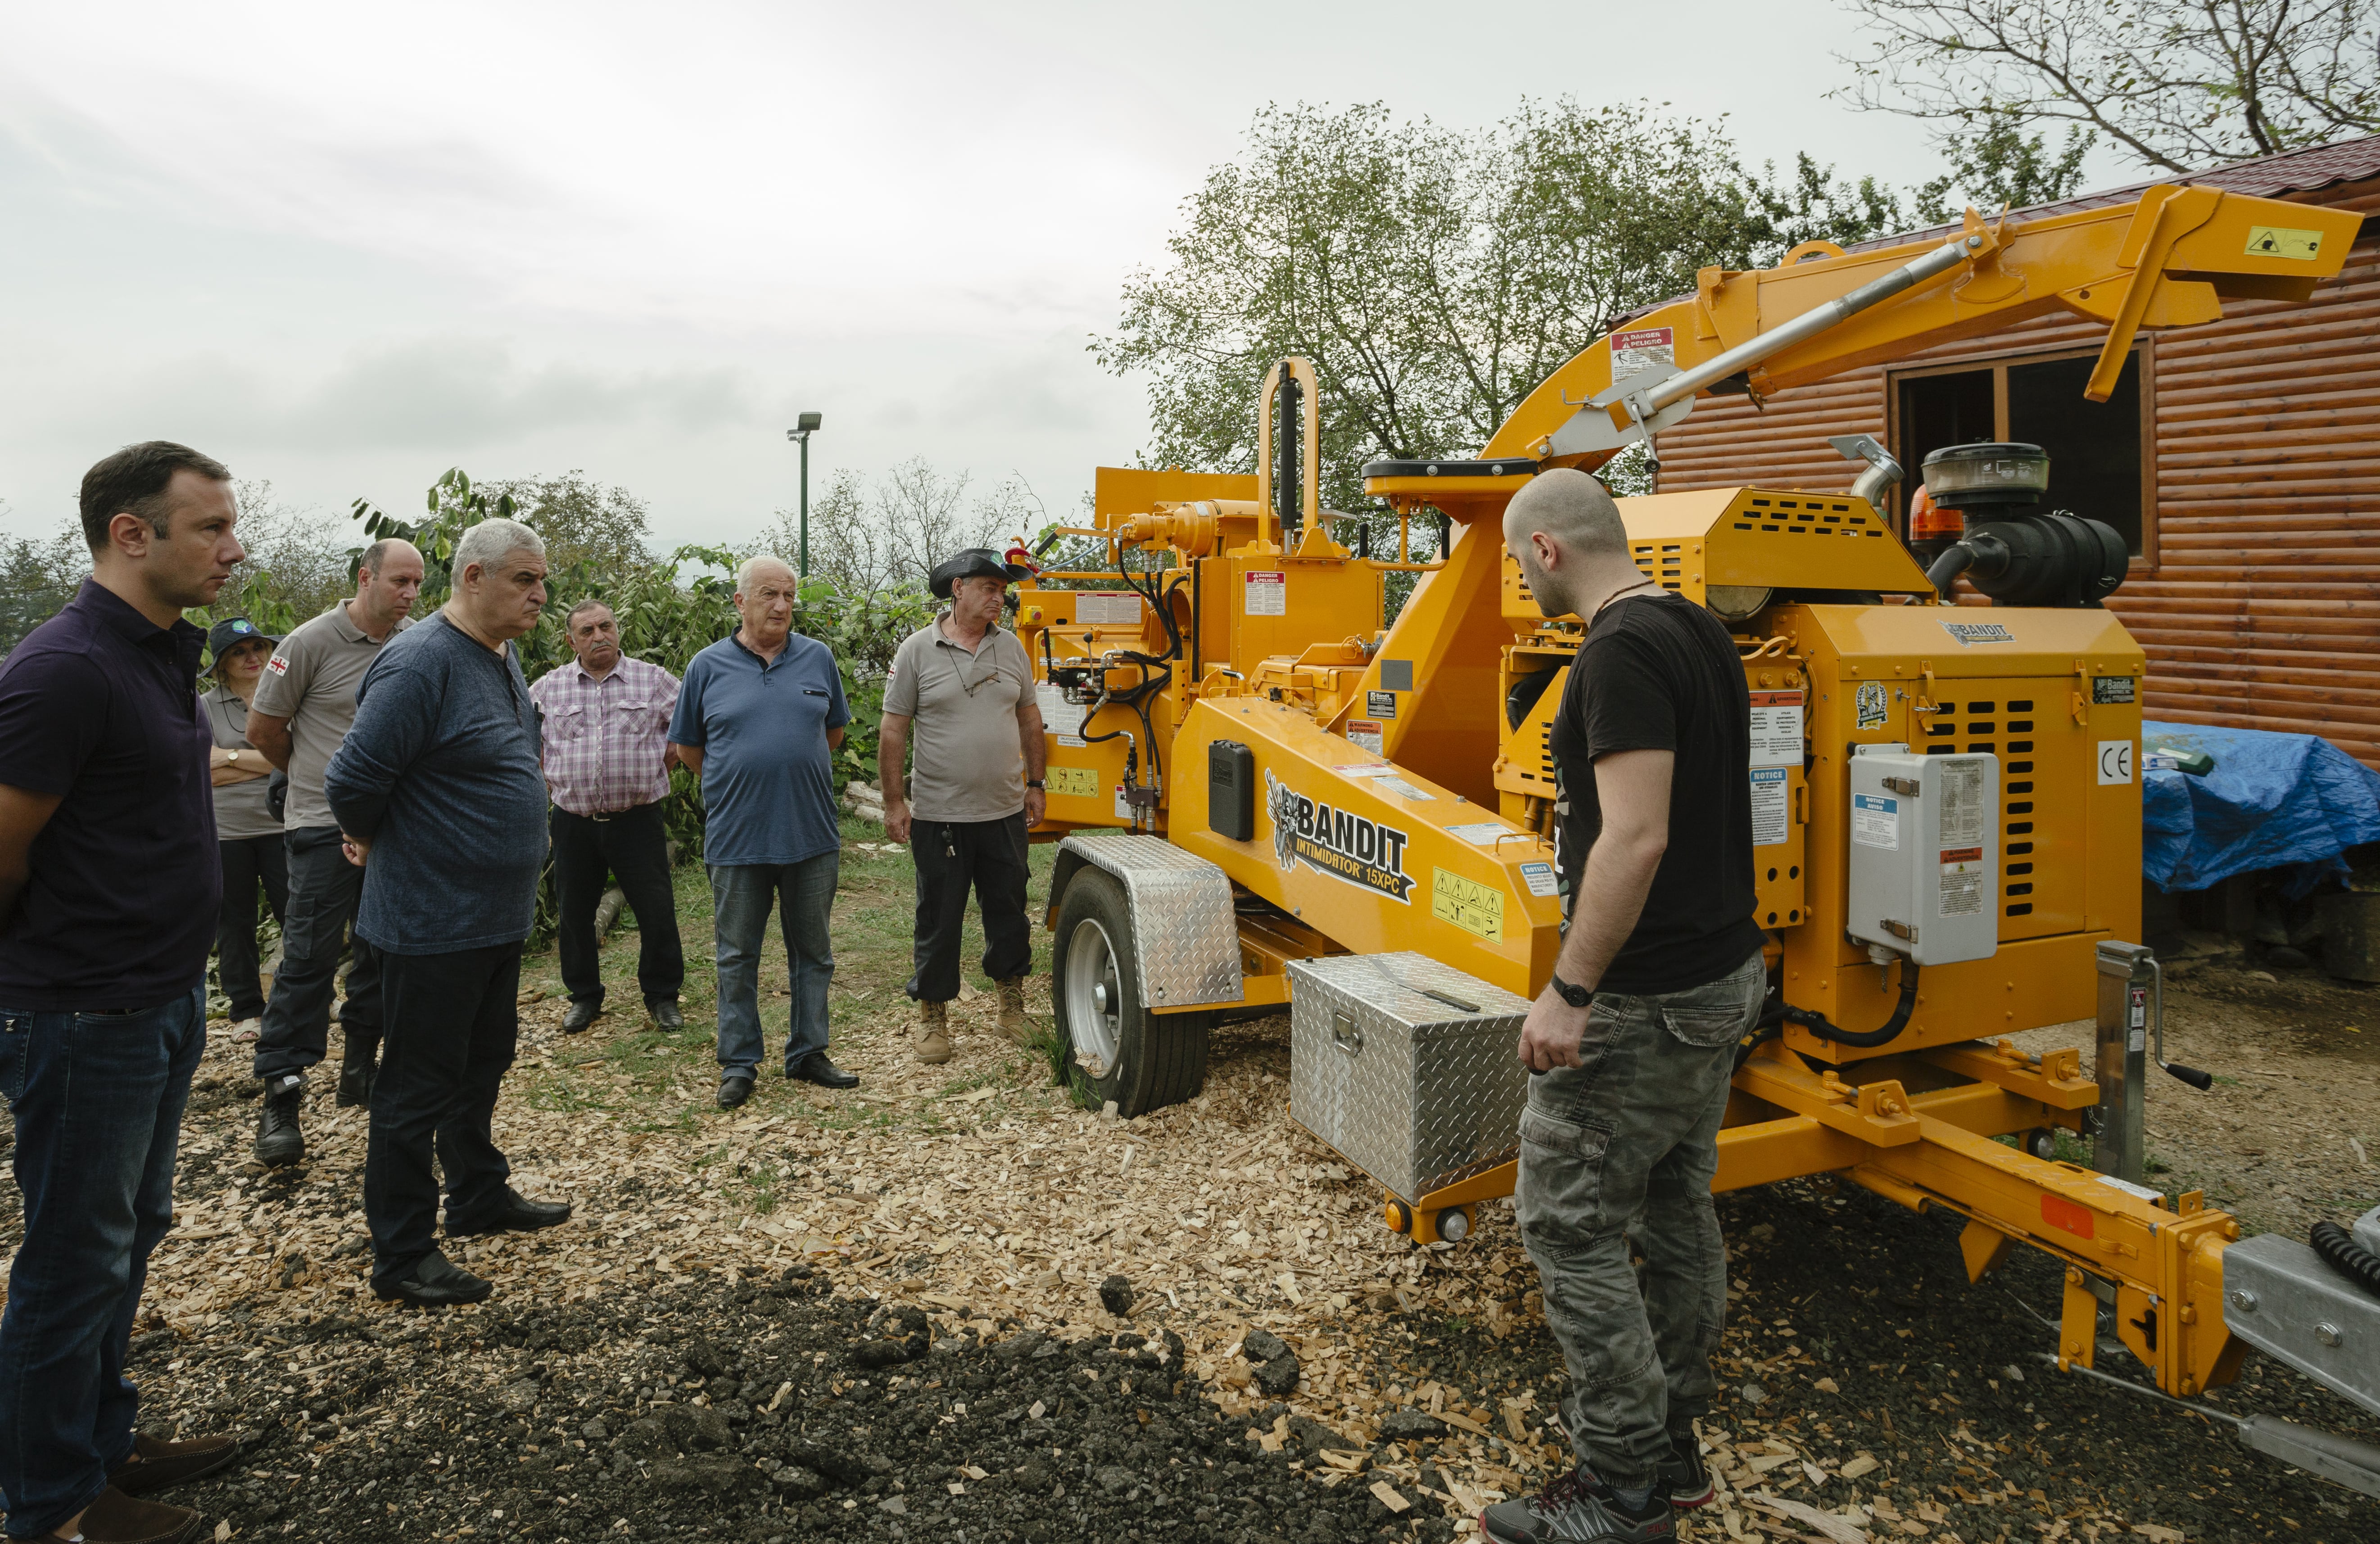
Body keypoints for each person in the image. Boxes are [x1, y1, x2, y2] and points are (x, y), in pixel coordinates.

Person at [1482, 469, 1765, 1544]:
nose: (1522, 579)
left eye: (1520, 561)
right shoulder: (1698, 629)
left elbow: (1635, 836)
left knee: (1569, 1224)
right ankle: (1673, 1451)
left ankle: (1622, 1489)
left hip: (1643, 997)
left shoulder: (1617, 652)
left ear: (1548, 549)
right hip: (1719, 973)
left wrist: (1570, 992)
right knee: (1676, 1207)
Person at [0, 442, 251, 1544]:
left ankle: (100, 1441)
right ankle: (52, 1503)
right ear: (131, 534)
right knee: (72, 1257)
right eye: (211, 527)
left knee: (127, 1234)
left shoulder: (156, 655)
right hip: (83, 1010)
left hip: (158, 998)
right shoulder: (64, 669)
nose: (234, 549)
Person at [325, 517, 571, 1307]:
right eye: (524, 580)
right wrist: (370, 834)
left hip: (494, 917)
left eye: (541, 580)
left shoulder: (499, 651)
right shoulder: (420, 661)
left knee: (483, 1062)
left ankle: (476, 1193)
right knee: (415, 1088)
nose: (540, 594)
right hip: (432, 920)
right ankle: (402, 1253)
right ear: (472, 577)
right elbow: (352, 779)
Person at [244, 537, 426, 1166]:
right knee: (308, 956)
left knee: (384, 951)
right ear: (365, 578)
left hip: (396, 829)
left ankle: (360, 1067)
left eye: (417, 584)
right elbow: (264, 730)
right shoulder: (307, 643)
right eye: (399, 581)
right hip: (323, 825)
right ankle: (282, 1092)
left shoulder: (415, 644)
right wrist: (317, 779)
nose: (410, 595)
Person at [668, 555, 857, 1109]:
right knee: (736, 955)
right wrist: (741, 777)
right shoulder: (706, 666)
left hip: (811, 835)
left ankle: (808, 1052)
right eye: (769, 594)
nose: (781, 605)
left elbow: (833, 733)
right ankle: (739, 1062)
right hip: (737, 838)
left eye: (789, 596)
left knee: (814, 952)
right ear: (740, 601)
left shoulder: (818, 658)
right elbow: (689, 749)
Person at [879, 547, 1046, 1064]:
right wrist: (893, 802)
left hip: (1004, 812)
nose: (999, 598)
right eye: (989, 588)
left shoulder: (1011, 648)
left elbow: (1030, 718)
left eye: (1003, 590)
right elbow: (893, 730)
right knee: (939, 916)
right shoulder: (917, 650)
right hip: (940, 816)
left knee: (1009, 911)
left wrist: (1036, 783)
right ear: (958, 589)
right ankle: (933, 1015)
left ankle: (1011, 1007)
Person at [529, 599, 686, 1034]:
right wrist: (555, 778)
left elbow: (687, 731)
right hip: (573, 822)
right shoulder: (547, 689)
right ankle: (584, 997)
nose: (599, 636)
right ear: (571, 641)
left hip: (638, 819)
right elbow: (528, 746)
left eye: (606, 627)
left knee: (656, 909)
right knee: (575, 913)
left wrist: (657, 767)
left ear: (617, 630)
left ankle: (662, 996)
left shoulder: (654, 680)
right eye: (587, 631)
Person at [201, 618, 287, 1042]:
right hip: (226, 832)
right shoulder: (202, 707)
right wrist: (269, 763)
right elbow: (202, 770)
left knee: (298, 916)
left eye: (258, 648)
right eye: (239, 652)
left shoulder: (286, 696)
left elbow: (299, 756)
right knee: (234, 924)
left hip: (283, 824)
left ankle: (314, 996)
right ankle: (248, 1012)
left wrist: (230, 757)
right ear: (222, 664)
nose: (252, 657)